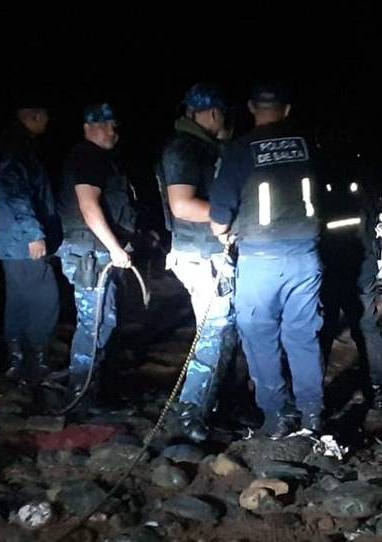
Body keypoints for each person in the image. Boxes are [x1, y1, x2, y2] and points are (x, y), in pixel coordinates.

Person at [210, 84, 325, 438]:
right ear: (287, 109)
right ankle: (312, 416)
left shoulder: (240, 150)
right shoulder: (309, 145)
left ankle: (276, 418)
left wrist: (222, 234)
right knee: (304, 337)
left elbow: (219, 216)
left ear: (250, 107)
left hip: (261, 261)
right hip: (305, 256)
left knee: (260, 339)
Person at [157, 83, 237, 441]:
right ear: (207, 113)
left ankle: (214, 404)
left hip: (211, 252)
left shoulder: (206, 147)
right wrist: (234, 219)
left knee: (224, 331)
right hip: (201, 255)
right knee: (213, 332)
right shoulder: (184, 149)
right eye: (217, 111)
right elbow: (182, 204)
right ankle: (190, 412)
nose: (221, 118)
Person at [52, 102, 137, 407]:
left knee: (104, 320)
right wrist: (115, 248)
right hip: (89, 253)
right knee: (96, 322)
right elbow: (89, 206)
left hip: (97, 251)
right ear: (87, 127)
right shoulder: (86, 157)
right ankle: (81, 394)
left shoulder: (103, 160)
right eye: (103, 124)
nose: (111, 130)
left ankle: (95, 388)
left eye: (114, 124)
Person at [0, 99, 60, 382]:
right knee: (45, 296)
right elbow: (17, 193)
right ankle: (36, 360)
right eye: (45, 116)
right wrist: (34, 233)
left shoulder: (12, 143)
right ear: (34, 115)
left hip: (10, 238)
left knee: (19, 297)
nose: (48, 122)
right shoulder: (16, 147)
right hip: (20, 238)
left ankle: (16, 361)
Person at [318, 176, 382, 408]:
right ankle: (377, 387)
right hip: (362, 268)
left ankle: (312, 391)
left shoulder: (320, 188)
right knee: (367, 326)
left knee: (324, 329)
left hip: (332, 270)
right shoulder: (362, 187)